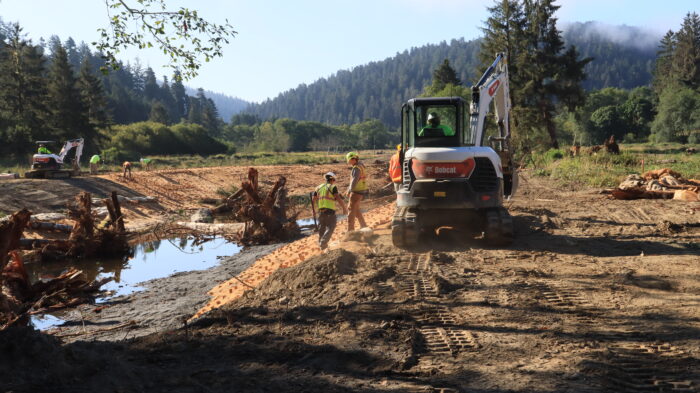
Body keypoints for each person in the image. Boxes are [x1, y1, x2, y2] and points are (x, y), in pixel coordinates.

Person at [312, 172, 348, 250]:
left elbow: (313, 199)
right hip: (330, 211)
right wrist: (344, 208)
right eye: (334, 180)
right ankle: (323, 242)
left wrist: (314, 211)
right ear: (332, 179)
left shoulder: (318, 187)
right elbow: (338, 198)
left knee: (322, 228)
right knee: (331, 227)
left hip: (320, 211)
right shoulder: (332, 187)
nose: (334, 181)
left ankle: (322, 247)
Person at [345, 151, 368, 231]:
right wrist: (348, 189)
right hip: (361, 190)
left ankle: (350, 230)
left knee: (350, 209)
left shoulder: (356, 168)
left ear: (353, 159)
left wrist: (349, 190)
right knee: (356, 209)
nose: (349, 162)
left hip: (356, 191)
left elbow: (354, 180)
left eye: (349, 160)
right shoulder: (361, 166)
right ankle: (364, 226)